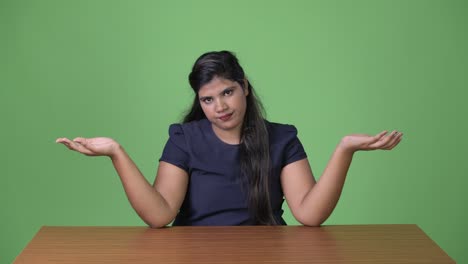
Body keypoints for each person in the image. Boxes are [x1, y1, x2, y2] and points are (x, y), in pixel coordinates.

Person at [56, 50, 402, 227]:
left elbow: (309, 215)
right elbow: (160, 215)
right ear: (199, 102)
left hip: (267, 255)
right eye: (208, 99)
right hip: (195, 255)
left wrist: (345, 150)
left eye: (228, 92)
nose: (220, 106)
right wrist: (116, 152)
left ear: (245, 88)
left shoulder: (282, 138)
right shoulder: (184, 139)